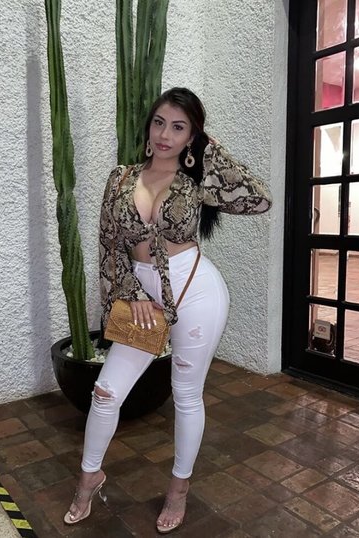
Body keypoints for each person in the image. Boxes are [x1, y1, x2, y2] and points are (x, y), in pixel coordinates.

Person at [64, 87, 272, 533]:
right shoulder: (121, 178)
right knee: (105, 392)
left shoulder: (198, 180)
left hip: (197, 292)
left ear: (191, 136)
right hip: (140, 299)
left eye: (179, 127)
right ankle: (88, 478)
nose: (165, 134)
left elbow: (258, 199)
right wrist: (129, 294)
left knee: (186, 394)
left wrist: (212, 151)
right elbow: (109, 244)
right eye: (159, 122)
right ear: (148, 126)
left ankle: (178, 488)